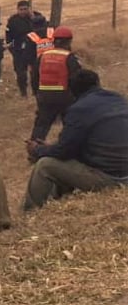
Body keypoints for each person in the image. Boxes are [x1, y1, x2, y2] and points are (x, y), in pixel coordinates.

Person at [24, 70, 128, 210]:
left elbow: (64, 151)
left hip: (110, 177)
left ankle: (31, 213)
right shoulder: (119, 99)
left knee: (45, 165)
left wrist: (38, 150)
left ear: (72, 92)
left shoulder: (78, 110)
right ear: (98, 83)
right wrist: (51, 148)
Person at [30, 27, 83, 144]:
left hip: (44, 96)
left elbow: (34, 76)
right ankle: (69, 149)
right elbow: (77, 78)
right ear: (69, 41)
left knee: (41, 126)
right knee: (70, 125)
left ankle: (33, 152)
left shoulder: (43, 56)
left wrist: (36, 93)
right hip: (65, 96)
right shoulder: (70, 57)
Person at [5, 0, 45, 97]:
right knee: (21, 74)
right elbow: (9, 37)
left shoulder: (37, 17)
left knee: (35, 73)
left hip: (34, 50)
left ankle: (35, 92)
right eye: (21, 9)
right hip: (19, 51)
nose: (23, 11)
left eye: (25, 9)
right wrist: (13, 50)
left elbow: (43, 28)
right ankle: (23, 93)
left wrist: (32, 18)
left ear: (29, 9)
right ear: (17, 10)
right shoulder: (13, 20)